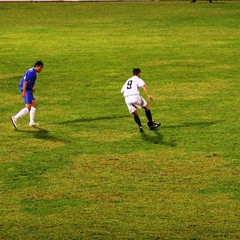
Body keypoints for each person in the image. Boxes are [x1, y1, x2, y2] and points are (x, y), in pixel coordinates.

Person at [121, 68, 160, 132]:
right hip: (135, 96)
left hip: (127, 98)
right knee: (147, 107)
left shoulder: (128, 80)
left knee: (135, 114)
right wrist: (148, 95)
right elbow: (144, 86)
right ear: (139, 73)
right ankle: (151, 124)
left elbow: (122, 90)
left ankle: (140, 126)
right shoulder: (138, 79)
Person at [11, 61, 44, 129]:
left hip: (28, 89)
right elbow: (25, 82)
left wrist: (31, 88)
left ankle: (31, 122)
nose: (41, 69)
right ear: (37, 66)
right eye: (40, 67)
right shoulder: (32, 73)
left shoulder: (31, 70)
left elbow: (26, 81)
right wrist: (24, 91)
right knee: (28, 108)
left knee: (34, 104)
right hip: (26, 90)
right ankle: (15, 117)